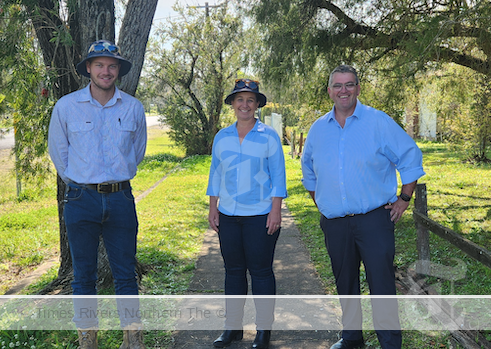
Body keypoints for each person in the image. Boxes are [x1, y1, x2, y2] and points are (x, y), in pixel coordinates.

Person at [301, 65, 425, 349]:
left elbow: (410, 156)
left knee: (381, 285)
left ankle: (390, 343)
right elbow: (308, 170)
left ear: (358, 88)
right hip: (335, 223)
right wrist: (321, 203)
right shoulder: (318, 129)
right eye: (337, 85)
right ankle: (352, 338)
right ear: (329, 91)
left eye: (349, 85)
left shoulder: (378, 122)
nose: (343, 91)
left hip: (374, 220)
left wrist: (404, 199)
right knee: (345, 283)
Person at [48, 40, 147, 349]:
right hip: (81, 200)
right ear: (88, 69)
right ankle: (87, 341)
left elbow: (137, 152)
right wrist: (82, 182)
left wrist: (114, 178)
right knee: (83, 277)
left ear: (119, 70)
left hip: (120, 199)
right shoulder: (66, 107)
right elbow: (60, 154)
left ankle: (132, 340)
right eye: (99, 65)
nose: (106, 71)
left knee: (125, 275)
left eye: (112, 65)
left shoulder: (132, 107)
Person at [206, 79, 287, 349]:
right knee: (233, 271)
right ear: (232, 104)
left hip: (260, 214)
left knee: (261, 272)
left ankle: (263, 331)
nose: (245, 104)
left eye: (250, 100)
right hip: (228, 214)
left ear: (257, 105)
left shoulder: (268, 136)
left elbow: (278, 174)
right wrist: (212, 206)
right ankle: (233, 328)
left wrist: (276, 209)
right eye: (240, 99)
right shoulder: (222, 137)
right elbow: (215, 173)